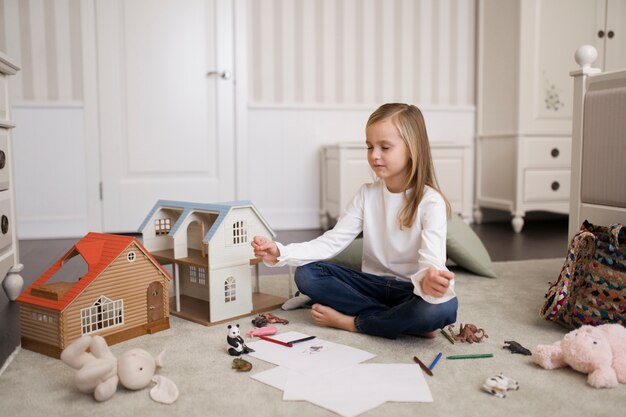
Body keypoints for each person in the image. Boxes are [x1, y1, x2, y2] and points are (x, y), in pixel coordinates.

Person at [252, 103, 457, 339]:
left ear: (412, 149)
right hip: (371, 285)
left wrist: (430, 281)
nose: (374, 155)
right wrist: (280, 252)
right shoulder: (366, 195)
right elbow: (332, 242)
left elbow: (432, 261)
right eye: (369, 147)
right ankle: (402, 321)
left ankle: (354, 322)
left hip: (411, 289)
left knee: (443, 307)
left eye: (385, 147)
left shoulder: (431, 202)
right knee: (306, 274)